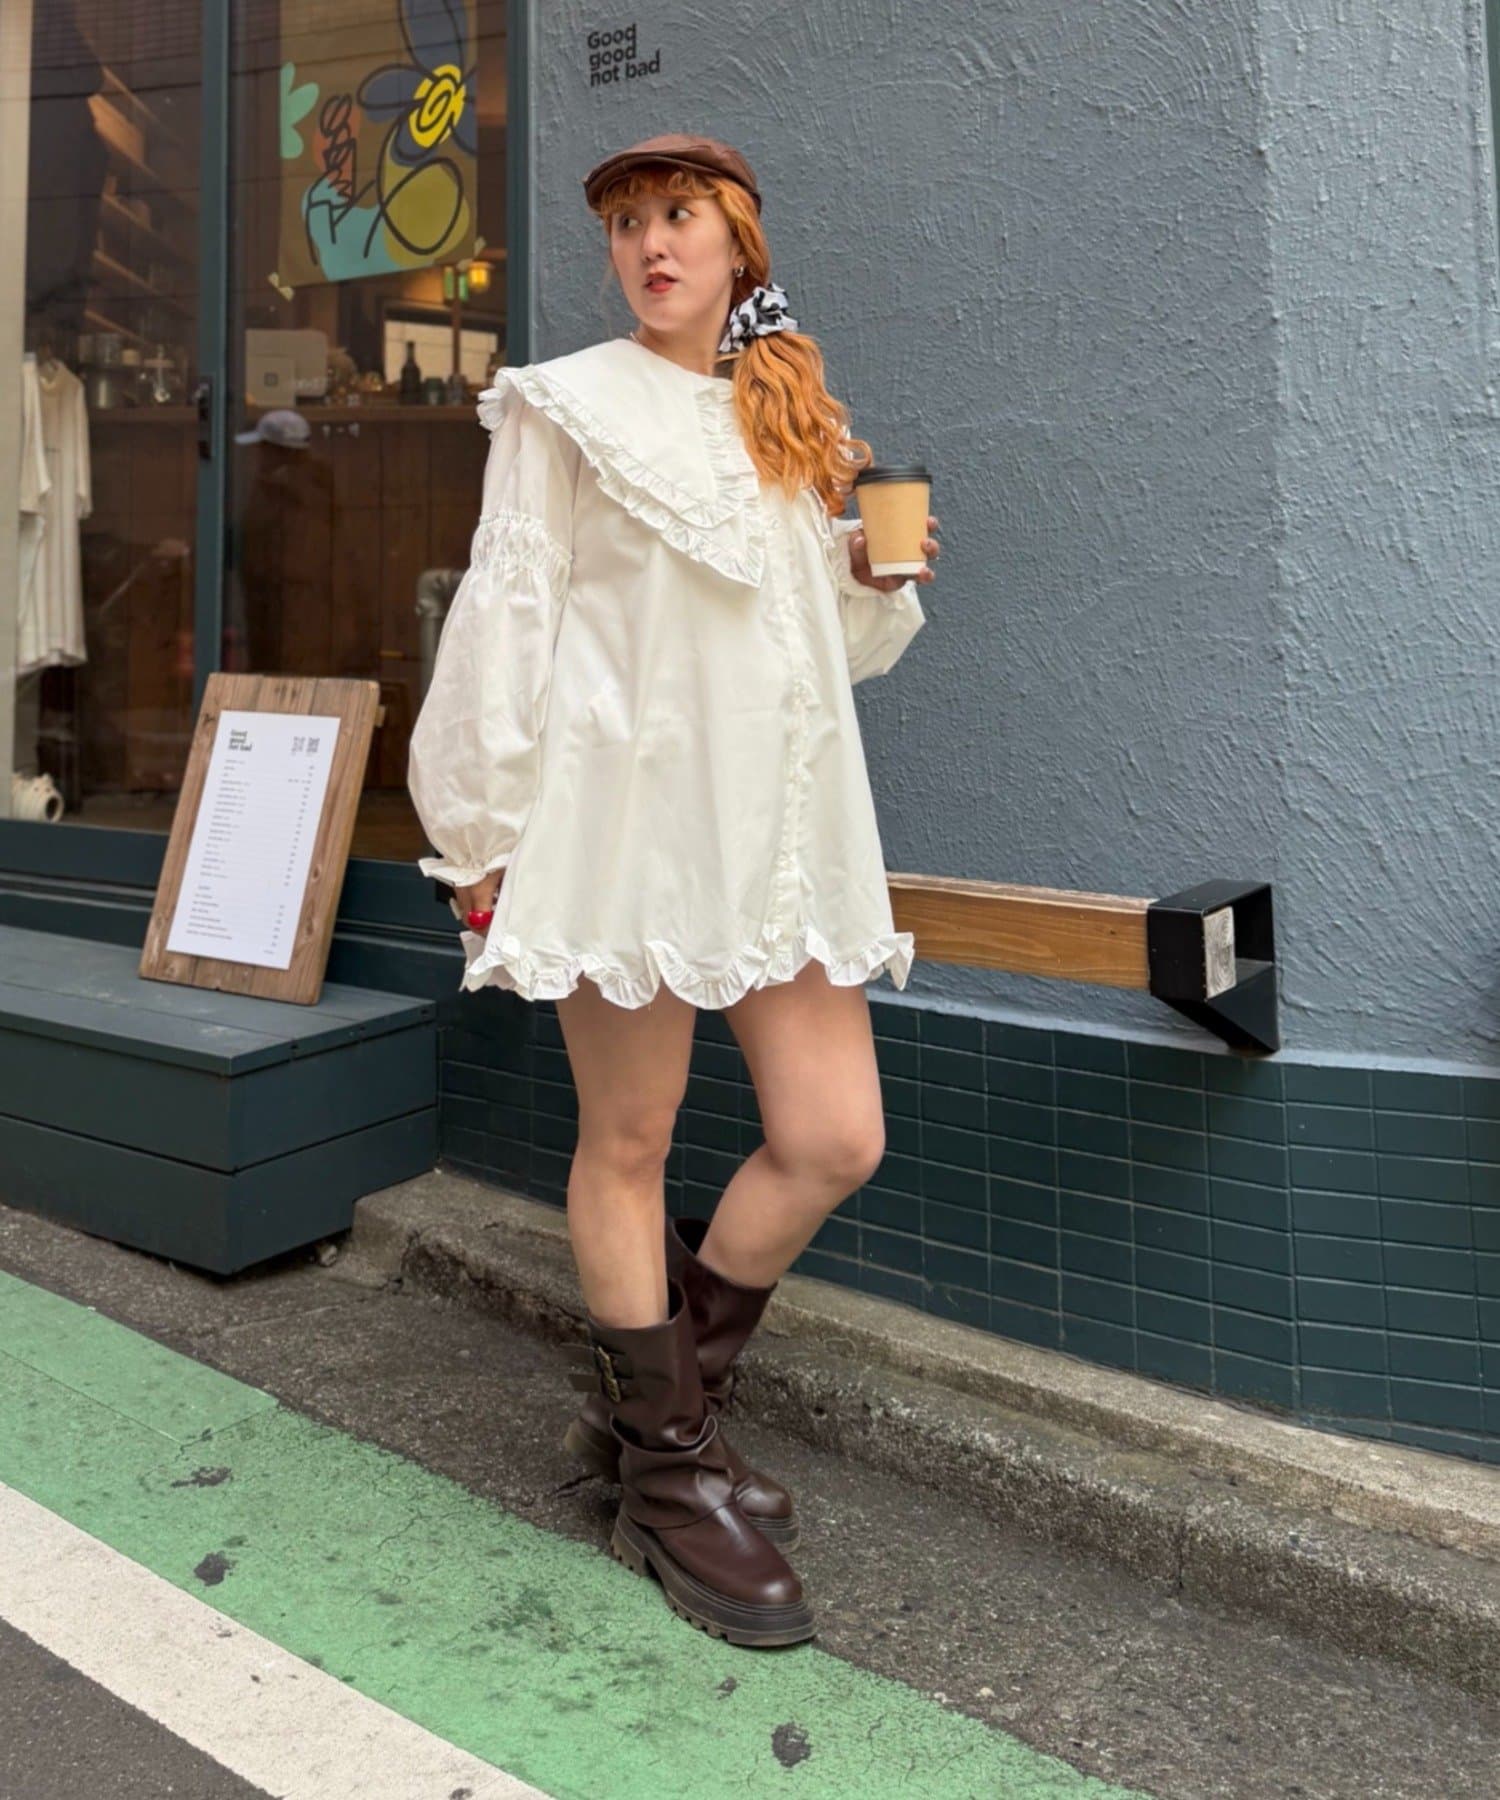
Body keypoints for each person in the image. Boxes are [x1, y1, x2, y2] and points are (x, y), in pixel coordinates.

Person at [406, 133, 941, 1648]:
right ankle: (669, 1473)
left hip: (779, 835)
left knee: (833, 1136)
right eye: (629, 222)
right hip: (628, 828)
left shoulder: (783, 421)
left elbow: (815, 653)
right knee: (629, 1140)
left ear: (736, 245)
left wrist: (869, 579)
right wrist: (482, 836)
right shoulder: (563, 406)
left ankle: (658, 1421)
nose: (652, 243)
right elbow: (510, 610)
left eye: (680, 216)